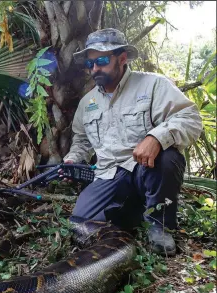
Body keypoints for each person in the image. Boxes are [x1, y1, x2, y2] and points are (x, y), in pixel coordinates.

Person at [63, 28, 202, 256]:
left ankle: (159, 226)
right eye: (90, 64)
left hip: (145, 168)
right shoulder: (88, 102)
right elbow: (81, 141)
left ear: (122, 58)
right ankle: (134, 214)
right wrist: (72, 159)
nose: (95, 68)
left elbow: (190, 118)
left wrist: (156, 137)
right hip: (109, 174)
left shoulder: (153, 85)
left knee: (168, 157)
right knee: (78, 223)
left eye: (102, 61)